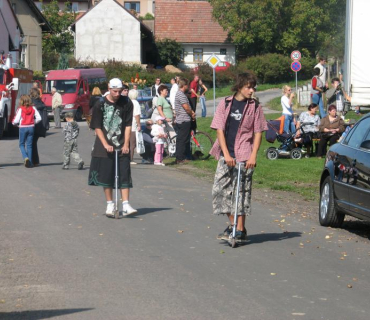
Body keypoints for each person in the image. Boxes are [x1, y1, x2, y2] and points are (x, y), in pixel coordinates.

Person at [210, 73, 267, 242]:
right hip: (226, 154)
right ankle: (234, 225)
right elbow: (219, 129)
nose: (252, 90)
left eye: (253, 87)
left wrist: (253, 156)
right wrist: (226, 154)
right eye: (248, 87)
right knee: (219, 191)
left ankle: (239, 230)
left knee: (241, 194)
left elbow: (258, 132)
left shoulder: (255, 107)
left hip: (244, 155)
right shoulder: (225, 103)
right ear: (240, 87)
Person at [88, 78, 137, 217]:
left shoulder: (127, 102)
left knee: (124, 173)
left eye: (120, 91)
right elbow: (96, 126)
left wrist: (126, 144)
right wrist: (105, 144)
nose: (117, 94)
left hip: (121, 143)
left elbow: (128, 125)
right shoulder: (100, 104)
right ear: (109, 89)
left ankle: (126, 205)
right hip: (104, 143)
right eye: (115, 91)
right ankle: (110, 204)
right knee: (107, 175)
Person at [12, 95, 41, 168]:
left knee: (21, 144)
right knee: (29, 145)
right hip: (31, 127)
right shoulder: (33, 108)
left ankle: (25, 157)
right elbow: (39, 118)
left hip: (23, 128)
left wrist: (14, 123)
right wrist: (33, 122)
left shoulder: (20, 109)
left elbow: (16, 120)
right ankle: (30, 163)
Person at [174, 78, 196, 164]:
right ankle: (180, 158)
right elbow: (186, 108)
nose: (189, 87)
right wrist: (192, 114)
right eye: (188, 85)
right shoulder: (181, 95)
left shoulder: (181, 94)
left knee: (182, 139)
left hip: (182, 119)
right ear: (184, 85)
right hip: (183, 120)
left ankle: (182, 157)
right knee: (182, 140)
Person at [29, 88, 48, 166]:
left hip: (33, 124)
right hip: (41, 125)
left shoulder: (31, 103)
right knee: (34, 143)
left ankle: (32, 160)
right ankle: (35, 160)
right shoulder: (41, 103)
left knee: (30, 144)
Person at [128, 89, 141, 165]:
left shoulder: (128, 102)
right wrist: (139, 124)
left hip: (127, 124)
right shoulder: (135, 103)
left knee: (128, 142)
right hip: (133, 124)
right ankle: (130, 158)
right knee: (132, 143)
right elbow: (137, 115)